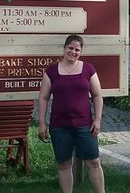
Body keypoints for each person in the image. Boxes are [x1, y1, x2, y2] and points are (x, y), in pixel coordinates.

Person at [38, 34, 105, 193]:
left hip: (85, 125)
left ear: (80, 52)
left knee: (94, 162)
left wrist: (97, 120)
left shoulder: (88, 69)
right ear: (64, 48)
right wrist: (41, 122)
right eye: (70, 48)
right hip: (59, 126)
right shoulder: (51, 71)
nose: (73, 52)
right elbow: (43, 98)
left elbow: (97, 95)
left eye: (77, 50)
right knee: (64, 164)